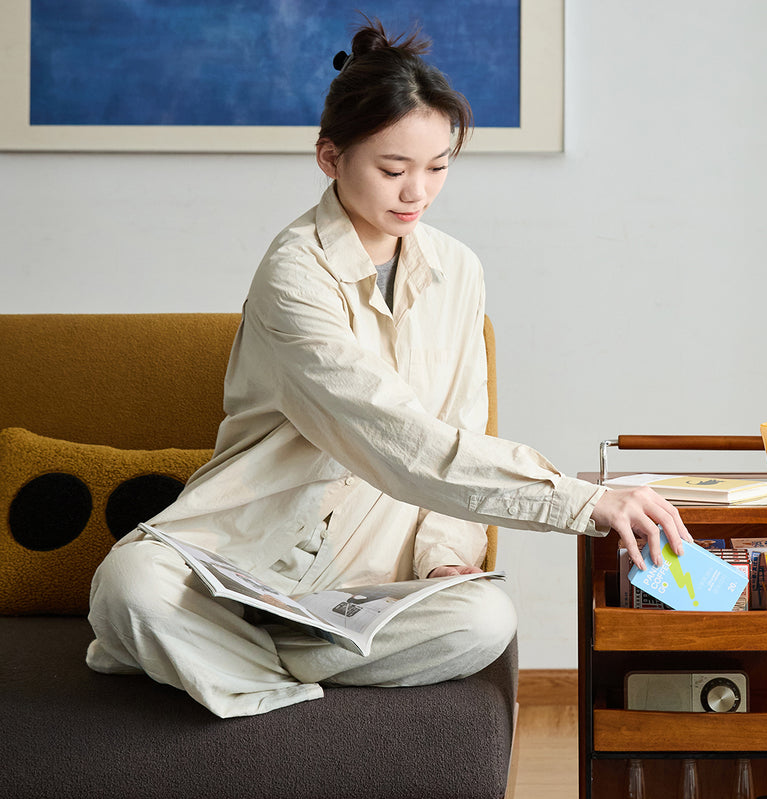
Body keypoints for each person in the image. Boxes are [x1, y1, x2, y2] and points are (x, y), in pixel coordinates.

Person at [86, 18, 689, 718]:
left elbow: (457, 421)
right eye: (393, 169)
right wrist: (580, 501)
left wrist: (440, 554)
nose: (417, 194)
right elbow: (390, 434)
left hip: (369, 569)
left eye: (436, 169)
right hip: (245, 546)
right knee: (129, 586)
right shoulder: (293, 273)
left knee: (484, 620)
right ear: (329, 157)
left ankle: (221, 661)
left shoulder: (458, 269)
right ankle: (252, 658)